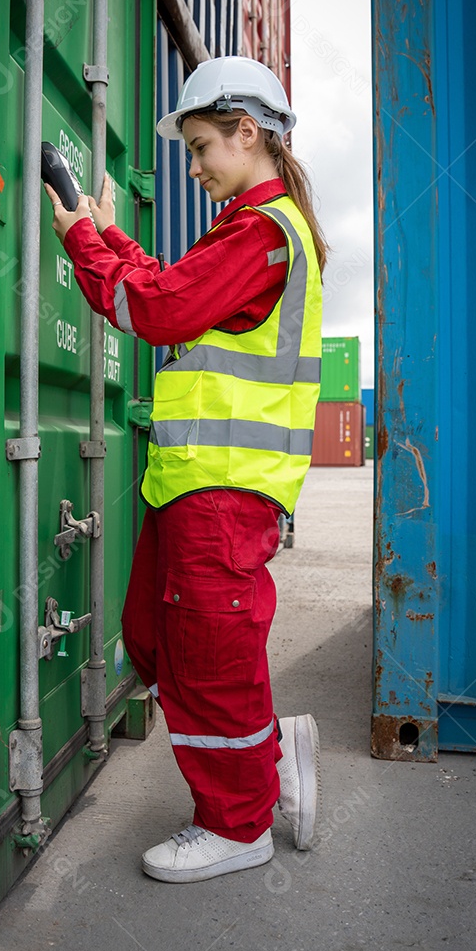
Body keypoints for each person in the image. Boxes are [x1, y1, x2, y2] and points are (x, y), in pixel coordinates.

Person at [45, 56, 325, 884]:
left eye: (203, 147)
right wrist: (107, 233)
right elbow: (178, 290)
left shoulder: (264, 231)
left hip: (226, 493)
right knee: (158, 639)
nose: (195, 167)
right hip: (192, 486)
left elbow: (158, 308)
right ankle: (272, 757)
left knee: (207, 657)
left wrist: (84, 248)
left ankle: (239, 826)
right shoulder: (245, 228)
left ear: (250, 133)